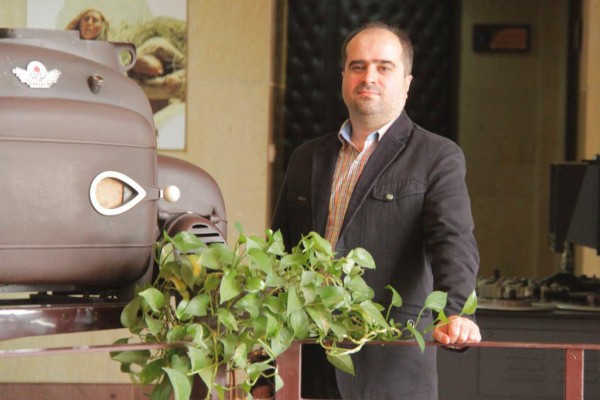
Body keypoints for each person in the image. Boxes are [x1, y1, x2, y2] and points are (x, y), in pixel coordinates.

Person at [271, 21, 481, 399]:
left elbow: (453, 240)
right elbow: (279, 254)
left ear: (407, 82)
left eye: (384, 67)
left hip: (390, 370)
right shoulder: (306, 157)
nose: (368, 76)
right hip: (308, 364)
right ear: (343, 77)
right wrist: (264, 363)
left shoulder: (436, 156)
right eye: (358, 66)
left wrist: (456, 312)